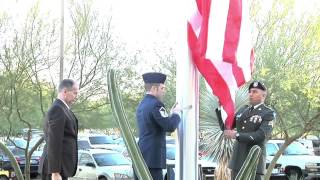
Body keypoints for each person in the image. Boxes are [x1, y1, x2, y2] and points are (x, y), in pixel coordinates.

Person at [225, 81, 276, 180]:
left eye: (255, 92)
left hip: (253, 161)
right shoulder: (243, 110)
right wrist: (221, 109)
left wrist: (237, 135)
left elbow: (260, 135)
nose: (251, 94)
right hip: (237, 160)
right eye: (250, 92)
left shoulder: (268, 113)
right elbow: (227, 126)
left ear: (263, 95)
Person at [135, 72, 181, 180]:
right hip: (152, 159)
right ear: (154, 88)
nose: (164, 91)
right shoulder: (156, 104)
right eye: (162, 88)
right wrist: (176, 114)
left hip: (141, 156)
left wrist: (169, 115)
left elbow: (155, 123)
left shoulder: (142, 104)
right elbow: (169, 126)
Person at [39, 79, 79, 180]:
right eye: (75, 93)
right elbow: (54, 142)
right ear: (65, 92)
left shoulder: (63, 109)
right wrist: (55, 172)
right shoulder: (57, 109)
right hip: (55, 170)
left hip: (62, 167)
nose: (76, 96)